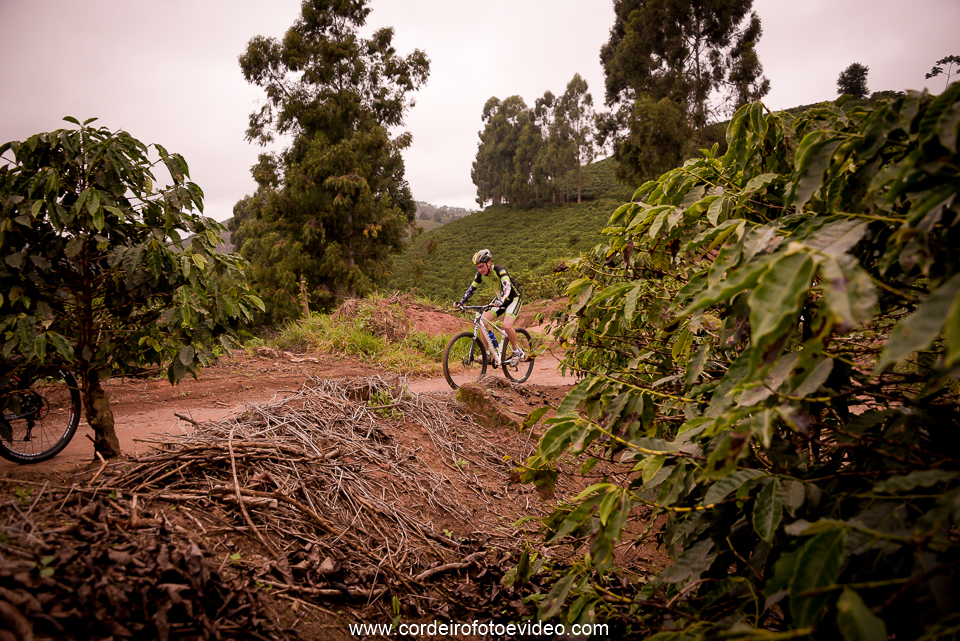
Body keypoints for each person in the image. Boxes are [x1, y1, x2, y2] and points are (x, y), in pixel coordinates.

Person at [454, 249, 526, 364]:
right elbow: (471, 290)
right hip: (499, 301)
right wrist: (461, 302)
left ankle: (516, 352)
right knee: (482, 321)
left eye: (481, 266)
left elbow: (507, 286)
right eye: (477, 267)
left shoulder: (499, 269)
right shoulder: (480, 275)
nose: (480, 269)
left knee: (507, 326)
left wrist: (502, 299)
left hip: (513, 299)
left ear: (488, 263)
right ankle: (487, 354)